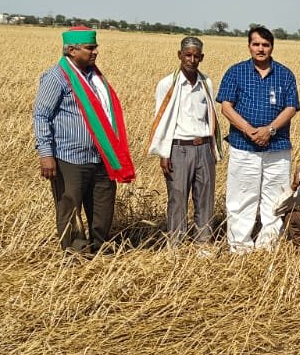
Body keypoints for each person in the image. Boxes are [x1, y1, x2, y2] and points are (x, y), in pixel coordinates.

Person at [32, 25, 137, 255]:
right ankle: (75, 253)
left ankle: (100, 249)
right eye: (90, 48)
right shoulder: (56, 77)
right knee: (69, 206)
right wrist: (46, 154)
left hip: (101, 155)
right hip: (69, 157)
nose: (95, 52)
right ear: (71, 50)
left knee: (103, 207)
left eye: (95, 47)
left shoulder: (95, 77)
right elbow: (41, 115)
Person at [217, 26, 300, 252]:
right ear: (249, 46)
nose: (260, 49)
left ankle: (268, 245)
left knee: (275, 198)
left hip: (277, 146)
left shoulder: (285, 74)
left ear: (272, 47)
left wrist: (269, 130)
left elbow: (291, 107)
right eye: (256, 44)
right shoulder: (236, 72)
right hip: (243, 146)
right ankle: (239, 246)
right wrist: (249, 130)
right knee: (241, 197)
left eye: (265, 45)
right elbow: (226, 106)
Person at [147, 36, 220, 246]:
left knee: (205, 199)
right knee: (178, 199)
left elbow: (210, 116)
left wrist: (212, 149)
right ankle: (176, 245)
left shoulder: (206, 83)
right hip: (179, 149)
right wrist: (164, 153)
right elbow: (160, 119)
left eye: (196, 56)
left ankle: (203, 244)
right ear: (179, 55)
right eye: (188, 55)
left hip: (204, 147)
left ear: (202, 57)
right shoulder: (167, 83)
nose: (192, 59)